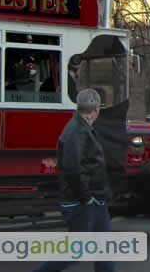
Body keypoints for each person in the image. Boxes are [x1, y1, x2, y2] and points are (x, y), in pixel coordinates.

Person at [33, 89, 113, 272]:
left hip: (94, 200)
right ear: (96, 109)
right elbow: (74, 169)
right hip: (81, 202)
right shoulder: (76, 132)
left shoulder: (83, 127)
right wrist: (87, 198)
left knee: (105, 251)